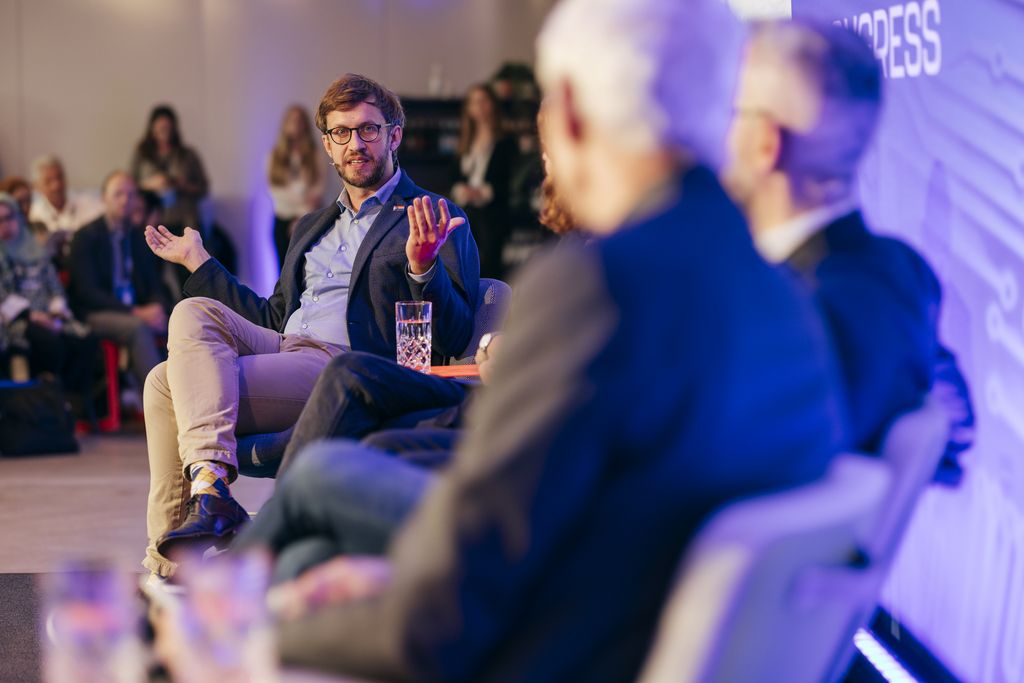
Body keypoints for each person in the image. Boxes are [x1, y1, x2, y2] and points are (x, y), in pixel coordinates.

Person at [236, 2, 847, 680]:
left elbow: (452, 607)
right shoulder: (778, 285)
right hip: (642, 609)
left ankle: (202, 616)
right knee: (308, 547)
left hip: (567, 643)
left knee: (295, 556)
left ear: (571, 113)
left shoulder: (594, 285)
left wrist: (265, 628)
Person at [139, 73, 480, 581]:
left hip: (346, 369)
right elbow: (272, 318)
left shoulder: (430, 214)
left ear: (395, 135)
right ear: (327, 145)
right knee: (189, 314)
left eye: (368, 130)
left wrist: (422, 268)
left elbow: (454, 335)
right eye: (342, 133)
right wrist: (200, 263)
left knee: (163, 384)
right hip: (286, 346)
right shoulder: (310, 226)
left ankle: (170, 564)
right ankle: (208, 496)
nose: (356, 144)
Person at [721, 20, 974, 461]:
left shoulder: (779, 316)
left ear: (766, 143)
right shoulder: (905, 271)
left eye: (729, 111)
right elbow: (958, 431)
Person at [0, 193, 99, 418]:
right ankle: (50, 403)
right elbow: (3, 298)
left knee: (87, 340)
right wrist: (34, 316)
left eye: (9, 218)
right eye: (0, 221)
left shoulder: (34, 250)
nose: (5, 226)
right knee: (51, 344)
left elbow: (54, 286)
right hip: (17, 323)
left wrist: (56, 312)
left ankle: (73, 400)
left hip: (50, 317)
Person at [68, 172, 169, 387]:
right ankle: (164, 401)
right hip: (96, 313)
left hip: (137, 310)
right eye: (118, 194)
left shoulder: (138, 237)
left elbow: (154, 283)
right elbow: (87, 292)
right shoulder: (85, 237)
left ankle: (190, 397)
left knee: (182, 322)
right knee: (137, 327)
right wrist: (135, 312)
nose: (126, 200)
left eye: (131, 195)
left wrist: (157, 308)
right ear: (104, 198)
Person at [451, 84, 518, 279]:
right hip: (466, 210)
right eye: (473, 102)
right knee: (463, 262)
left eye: (483, 101)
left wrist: (482, 192)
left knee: (489, 266)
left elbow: (510, 180)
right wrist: (462, 189)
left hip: (493, 213)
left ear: (492, 105)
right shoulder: (465, 141)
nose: (478, 107)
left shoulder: (505, 141)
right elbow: (454, 176)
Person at [130, 105, 210, 232]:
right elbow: (130, 185)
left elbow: (204, 188)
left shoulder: (187, 155)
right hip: (150, 220)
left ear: (173, 128)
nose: (164, 131)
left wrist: (182, 185)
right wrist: (150, 184)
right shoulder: (142, 153)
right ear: (152, 128)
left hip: (183, 219)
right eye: (160, 128)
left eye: (167, 128)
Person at [268, 105, 326, 268]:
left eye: (299, 120)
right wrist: (300, 195)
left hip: (308, 219)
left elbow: (318, 190)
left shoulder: (315, 155)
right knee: (283, 269)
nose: (296, 124)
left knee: (306, 269)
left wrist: (301, 216)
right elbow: (276, 191)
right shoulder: (275, 156)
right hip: (282, 219)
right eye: (292, 120)